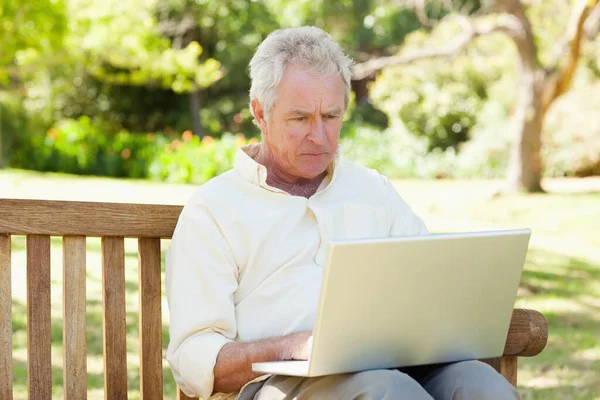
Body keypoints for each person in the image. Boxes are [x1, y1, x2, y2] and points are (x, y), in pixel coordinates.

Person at [166, 26, 519, 400]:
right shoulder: (215, 209)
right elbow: (193, 359)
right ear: (260, 114)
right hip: (278, 387)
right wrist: (293, 347)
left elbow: (427, 289)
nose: (319, 136)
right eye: (300, 119)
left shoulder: (372, 191)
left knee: (482, 387)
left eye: (331, 116)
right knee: (388, 392)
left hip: (394, 365)